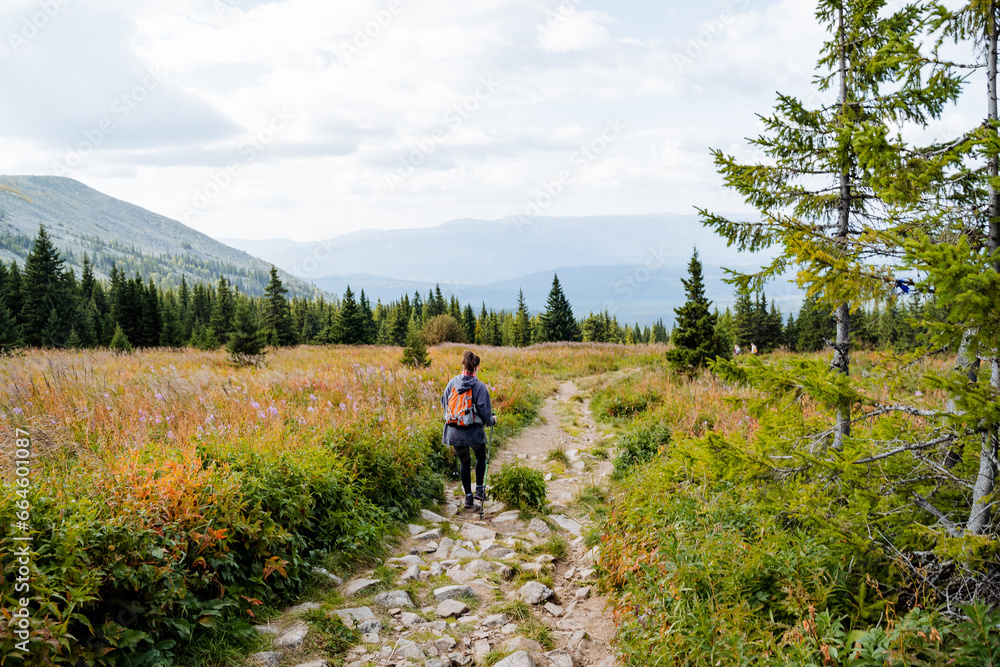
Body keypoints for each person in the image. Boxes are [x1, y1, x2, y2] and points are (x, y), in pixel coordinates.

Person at [442, 351, 497, 509]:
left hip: (454, 432)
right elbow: (485, 413)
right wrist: (491, 420)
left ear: (463, 365)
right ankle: (479, 489)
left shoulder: (452, 383)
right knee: (480, 457)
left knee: (464, 462)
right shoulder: (479, 387)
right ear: (476, 368)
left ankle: (468, 498)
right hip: (473, 434)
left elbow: (444, 402)